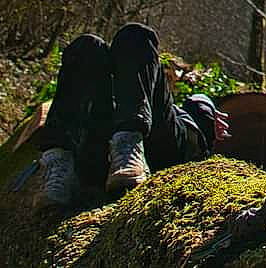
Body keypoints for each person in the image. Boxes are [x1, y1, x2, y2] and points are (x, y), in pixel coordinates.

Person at [31, 22, 229, 211]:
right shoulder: (138, 90)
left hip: (162, 151)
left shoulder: (188, 113)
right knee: (87, 46)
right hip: (102, 155)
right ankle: (59, 161)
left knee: (135, 35)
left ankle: (129, 143)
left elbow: (199, 106)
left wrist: (205, 107)